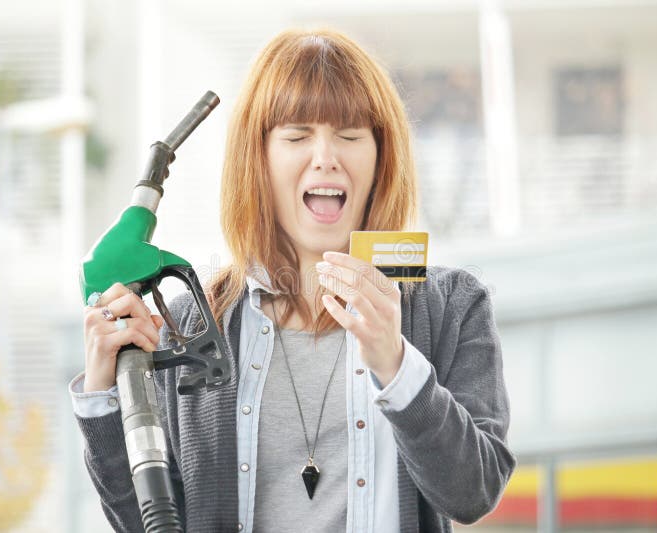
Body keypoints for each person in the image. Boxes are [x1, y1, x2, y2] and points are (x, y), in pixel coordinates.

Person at [71, 28, 516, 533]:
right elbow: (147, 523)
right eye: (297, 135)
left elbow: (473, 493)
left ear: (380, 158)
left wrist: (396, 363)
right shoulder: (193, 325)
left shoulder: (453, 305)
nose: (325, 157)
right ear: (257, 161)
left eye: (350, 135)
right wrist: (106, 396)